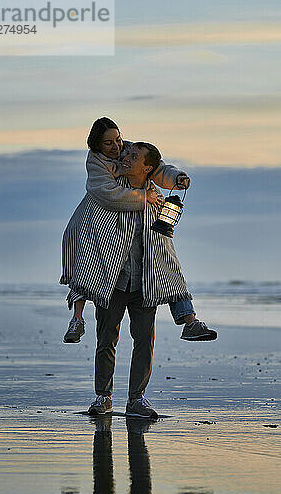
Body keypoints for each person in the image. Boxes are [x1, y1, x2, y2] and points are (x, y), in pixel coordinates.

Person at [60, 117, 217, 344]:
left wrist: (177, 178)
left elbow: (157, 167)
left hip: (131, 220)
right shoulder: (95, 162)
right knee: (87, 265)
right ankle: (77, 318)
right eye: (108, 143)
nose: (117, 147)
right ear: (96, 145)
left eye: (118, 139)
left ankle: (190, 321)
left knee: (166, 261)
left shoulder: (129, 150)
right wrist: (144, 197)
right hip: (92, 221)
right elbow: (108, 195)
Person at [80, 142, 194, 417]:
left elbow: (163, 169)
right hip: (112, 278)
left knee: (144, 340)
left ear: (147, 168)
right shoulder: (113, 188)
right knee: (106, 338)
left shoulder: (157, 199)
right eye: (126, 154)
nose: (125, 157)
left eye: (133, 157)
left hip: (145, 281)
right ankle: (102, 398)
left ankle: (136, 399)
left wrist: (177, 179)